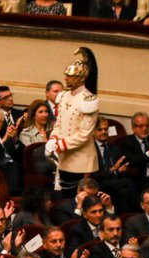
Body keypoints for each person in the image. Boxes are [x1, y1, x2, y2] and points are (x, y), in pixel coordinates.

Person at [45, 47, 98, 196]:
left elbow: (84, 134)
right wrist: (53, 138)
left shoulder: (89, 99)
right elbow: (59, 123)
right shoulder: (63, 96)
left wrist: (59, 145)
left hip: (81, 160)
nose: (66, 78)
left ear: (80, 78)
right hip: (64, 158)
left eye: (70, 76)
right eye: (66, 75)